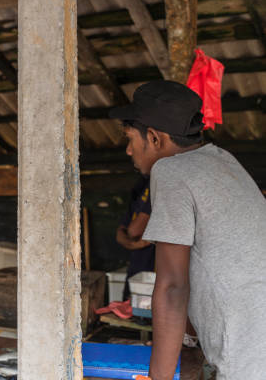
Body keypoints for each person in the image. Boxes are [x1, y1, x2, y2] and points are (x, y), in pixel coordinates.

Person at [110, 80, 266, 380]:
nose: (129, 150)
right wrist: (191, 340)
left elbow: (172, 288)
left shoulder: (171, 171)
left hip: (249, 355)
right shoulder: (224, 160)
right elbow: (209, 262)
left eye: (130, 138)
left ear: (154, 138)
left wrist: (159, 378)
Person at [116, 175, 155, 300]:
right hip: (136, 267)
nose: (129, 153)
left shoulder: (160, 183)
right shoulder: (141, 184)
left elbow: (134, 231)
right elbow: (120, 234)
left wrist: (131, 240)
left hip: (152, 272)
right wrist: (133, 244)